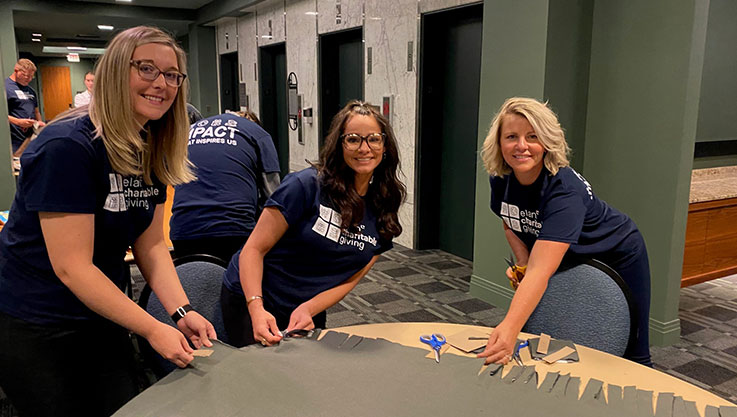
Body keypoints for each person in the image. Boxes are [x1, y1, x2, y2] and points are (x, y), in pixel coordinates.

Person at [0, 26, 216, 416]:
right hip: (40, 321)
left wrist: (181, 312)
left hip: (105, 311)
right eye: (147, 69)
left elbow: (150, 245)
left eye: (172, 75)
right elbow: (72, 268)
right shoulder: (67, 145)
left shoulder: (153, 143)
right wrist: (152, 328)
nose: (161, 84)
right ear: (117, 71)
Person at [476, 97, 652, 367]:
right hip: (564, 251)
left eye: (532, 136)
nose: (521, 146)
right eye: (512, 136)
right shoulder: (502, 179)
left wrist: (508, 328)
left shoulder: (565, 192)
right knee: (555, 335)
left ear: (546, 142)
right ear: (499, 143)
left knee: (633, 351)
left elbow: (540, 272)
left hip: (618, 253)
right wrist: (522, 261)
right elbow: (509, 219)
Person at [221, 100, 406, 347]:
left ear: (385, 146)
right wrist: (256, 307)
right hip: (255, 298)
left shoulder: (384, 205)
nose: (364, 148)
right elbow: (253, 249)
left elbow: (351, 277)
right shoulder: (305, 186)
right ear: (339, 145)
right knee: (257, 379)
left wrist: (309, 308)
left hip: (306, 307)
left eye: (373, 139)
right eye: (353, 139)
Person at [170, 111, 281, 263]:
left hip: (183, 231)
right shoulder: (258, 134)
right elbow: (274, 198)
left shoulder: (190, 131)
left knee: (193, 283)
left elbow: (173, 178)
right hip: (234, 232)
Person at [5, 58, 45, 156]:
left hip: (30, 137)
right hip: (13, 138)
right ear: (16, 71)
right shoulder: (5, 87)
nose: (29, 79)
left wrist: (39, 123)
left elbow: (36, 111)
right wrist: (18, 122)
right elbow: (2, 114)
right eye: (26, 76)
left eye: (31, 76)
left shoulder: (31, 91)